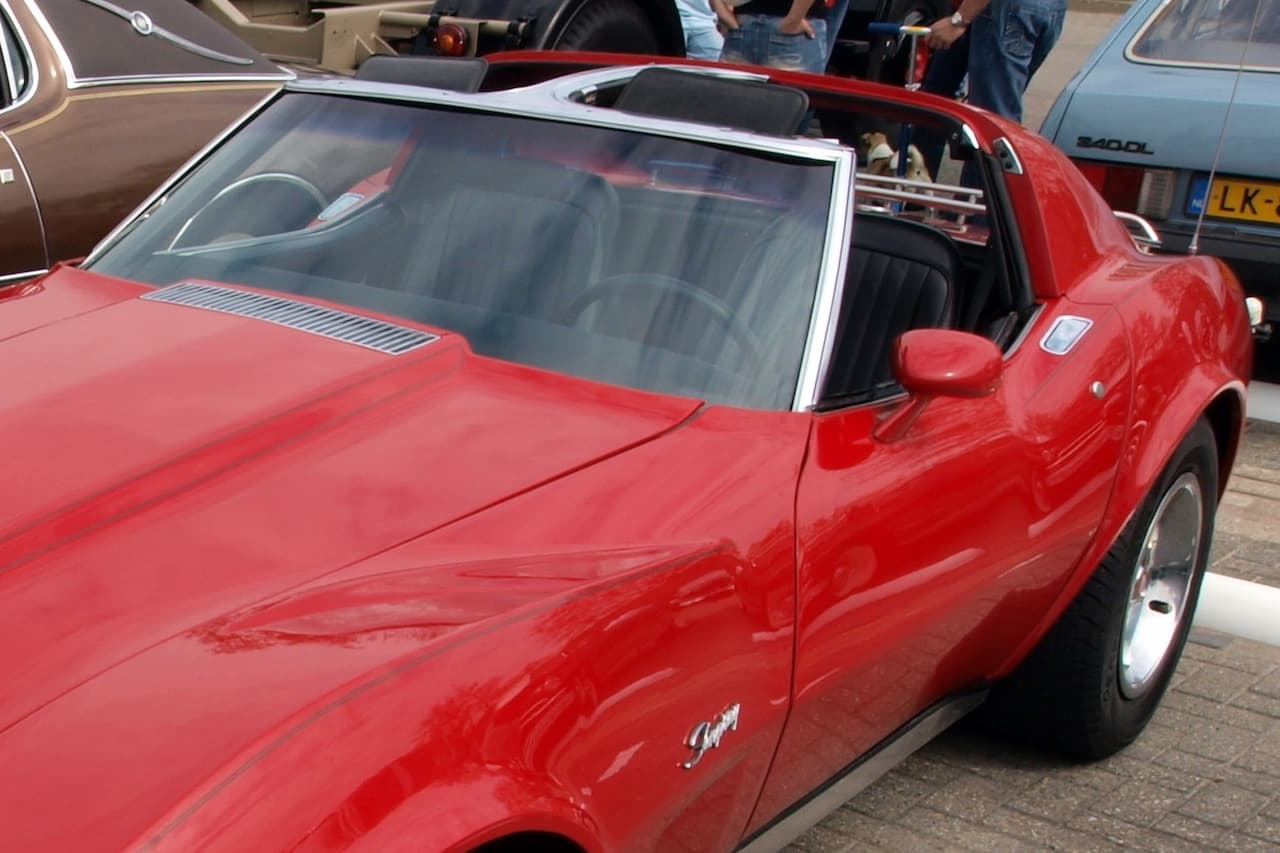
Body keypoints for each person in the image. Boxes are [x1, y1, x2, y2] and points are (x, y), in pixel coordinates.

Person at [925, 0, 1066, 124]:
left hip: (1005, 10)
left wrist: (958, 21)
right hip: (1045, 7)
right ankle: (921, 150)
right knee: (936, 98)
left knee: (993, 118)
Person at [711, 0, 829, 74]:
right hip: (792, 29)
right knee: (793, 109)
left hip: (741, 22)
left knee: (733, 109)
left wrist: (720, 9)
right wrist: (793, 20)